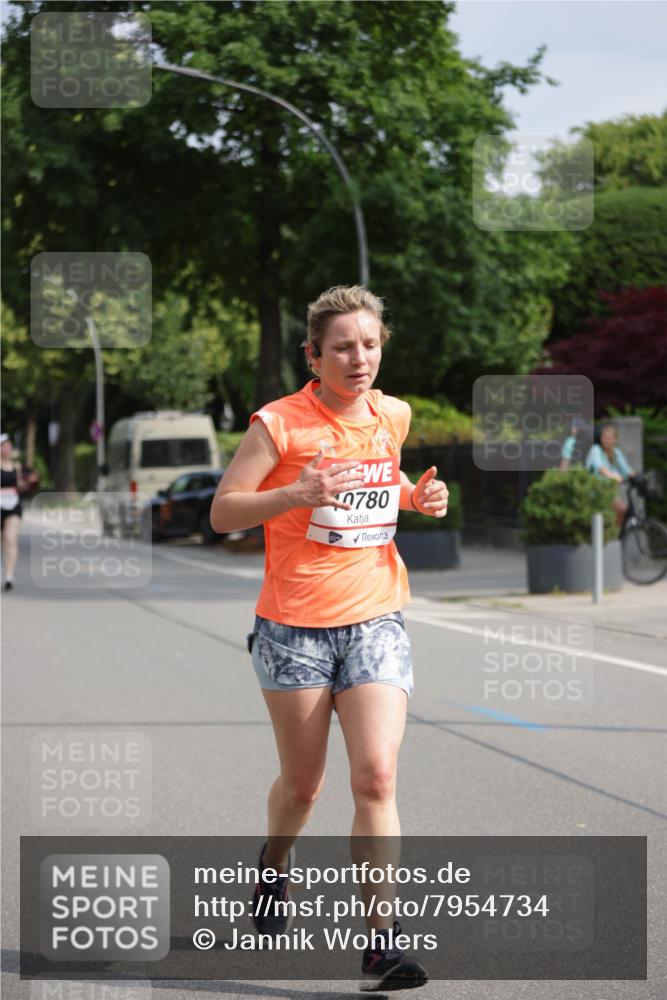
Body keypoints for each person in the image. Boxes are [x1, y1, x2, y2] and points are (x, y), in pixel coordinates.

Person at [211, 285, 448, 991]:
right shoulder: (278, 424)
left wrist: (417, 496)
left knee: (375, 775)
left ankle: (380, 942)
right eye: (342, 346)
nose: (359, 357)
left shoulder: (392, 414)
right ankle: (275, 863)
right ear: (313, 355)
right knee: (305, 785)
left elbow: (381, 480)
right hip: (293, 630)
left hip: (375, 615)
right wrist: (293, 494)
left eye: (369, 344)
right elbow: (223, 511)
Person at [585, 423, 633, 528]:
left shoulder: (616, 452)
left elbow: (625, 469)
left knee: (622, 510)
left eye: (610, 438)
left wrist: (634, 476)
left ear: (615, 440)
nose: (607, 440)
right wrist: (612, 475)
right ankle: (610, 537)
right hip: (594, 490)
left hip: (607, 489)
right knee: (618, 509)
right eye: (604, 437)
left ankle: (613, 535)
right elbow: (600, 467)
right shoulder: (595, 450)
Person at [1, 433, 24, 591]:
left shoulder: (17, 467)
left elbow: (20, 485)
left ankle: (9, 576)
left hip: (13, 505)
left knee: (10, 539)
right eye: (4, 445)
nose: (7, 448)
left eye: (9, 445)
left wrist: (25, 485)